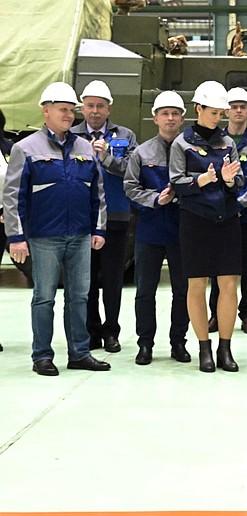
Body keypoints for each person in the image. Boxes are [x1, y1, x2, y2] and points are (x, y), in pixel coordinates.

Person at [2, 82, 110, 375]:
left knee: (79, 296)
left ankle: (79, 353)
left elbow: (97, 192)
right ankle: (42, 356)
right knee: (44, 297)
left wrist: (98, 229)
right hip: (43, 237)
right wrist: (16, 237)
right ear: (45, 111)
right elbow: (13, 196)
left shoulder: (85, 148)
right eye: (63, 109)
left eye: (71, 110)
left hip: (80, 235)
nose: (68, 115)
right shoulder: (26, 149)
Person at [169, 80, 244, 373]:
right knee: (196, 284)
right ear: (198, 109)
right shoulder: (182, 144)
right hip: (195, 221)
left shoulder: (228, 143)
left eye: (220, 114)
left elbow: (239, 181)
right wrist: (200, 181)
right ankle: (204, 347)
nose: (217, 118)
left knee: (228, 284)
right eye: (213, 113)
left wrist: (229, 180)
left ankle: (225, 347)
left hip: (226, 220)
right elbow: (176, 182)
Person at [123, 91, 191, 365]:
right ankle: (145, 343)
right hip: (150, 231)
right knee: (145, 291)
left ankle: (179, 342)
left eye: (175, 113)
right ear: (155, 118)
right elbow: (130, 187)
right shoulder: (141, 153)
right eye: (165, 113)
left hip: (182, 231)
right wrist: (154, 199)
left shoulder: (191, 151)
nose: (170, 118)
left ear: (183, 118)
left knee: (183, 291)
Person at [71, 80, 138, 353]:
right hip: (82, 218)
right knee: (85, 280)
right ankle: (91, 331)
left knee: (112, 279)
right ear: (82, 108)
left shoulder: (125, 135)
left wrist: (107, 157)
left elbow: (133, 170)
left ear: (109, 109)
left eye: (100, 106)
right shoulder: (71, 135)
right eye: (90, 106)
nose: (95, 111)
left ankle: (111, 331)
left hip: (116, 216)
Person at [208, 87, 247, 335]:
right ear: (226, 111)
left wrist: (241, 203)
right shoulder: (215, 141)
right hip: (221, 213)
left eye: (243, 106)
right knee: (218, 264)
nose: (238, 111)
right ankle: (216, 312)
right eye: (234, 107)